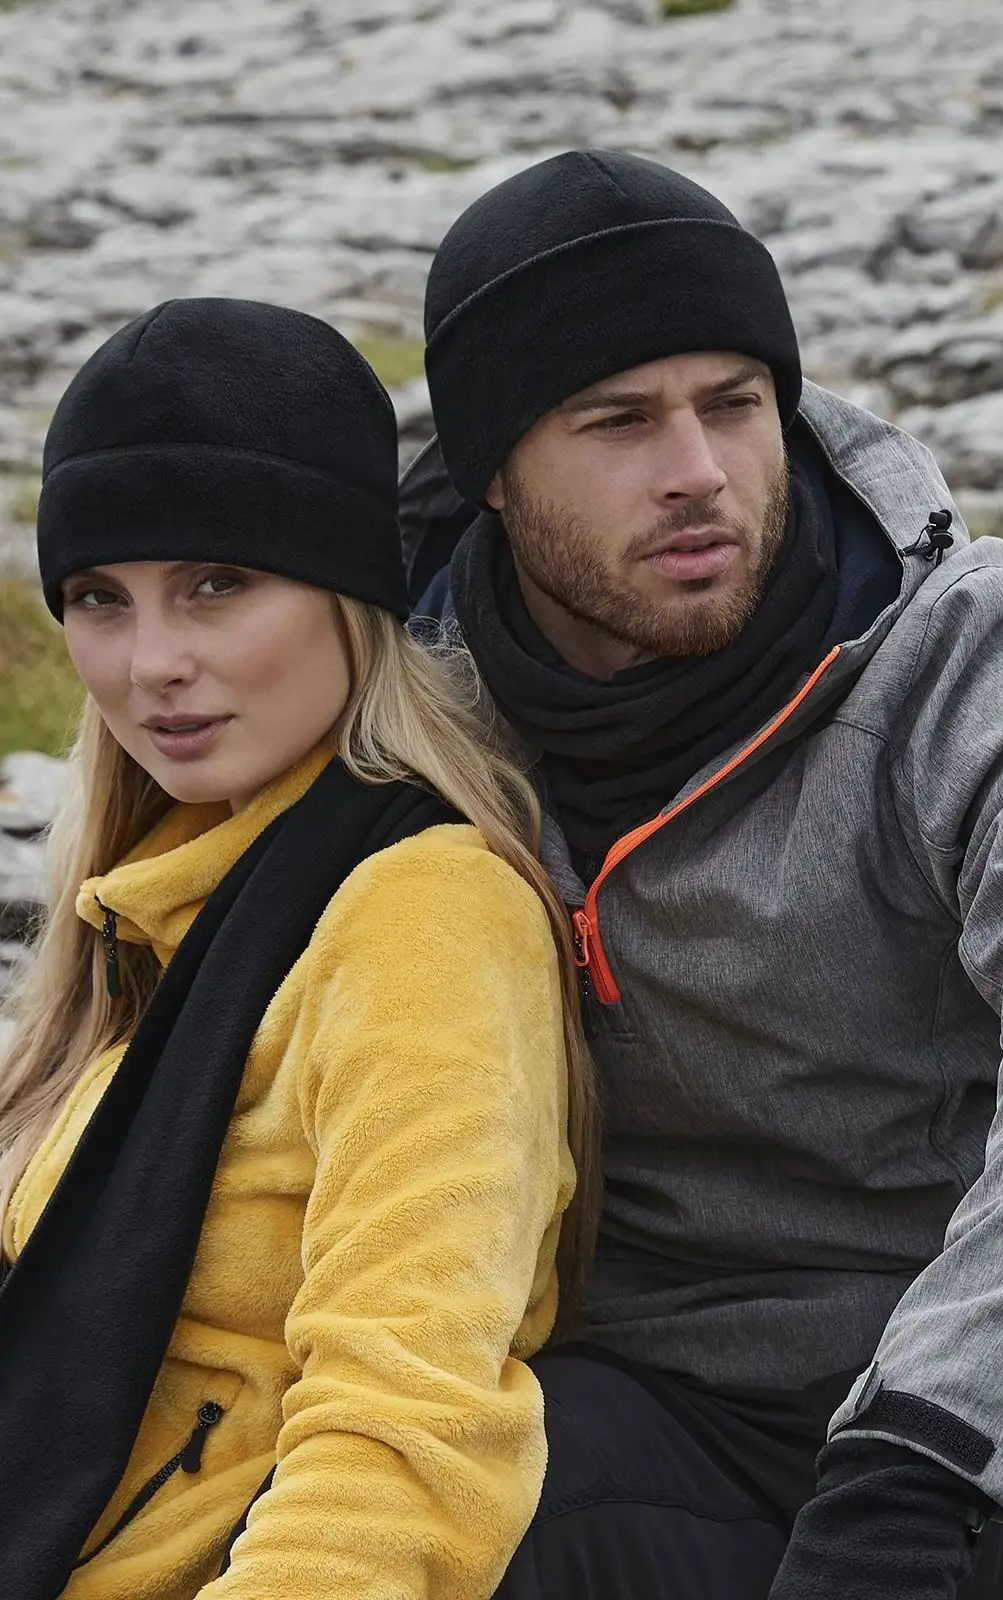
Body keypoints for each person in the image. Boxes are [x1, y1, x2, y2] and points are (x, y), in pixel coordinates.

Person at [399, 149, 1003, 1598]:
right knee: (437, 1498)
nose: (698, 472)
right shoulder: (408, 725)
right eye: (618, 421)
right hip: (669, 1416)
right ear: (495, 474)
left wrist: (923, 1451)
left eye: (734, 403)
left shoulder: (969, 665)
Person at [0, 297, 598, 1600]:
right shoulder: (155, 907)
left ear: (347, 592)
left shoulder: (425, 916)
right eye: (101, 599)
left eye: (218, 584)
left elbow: (410, 1419)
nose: (152, 664)